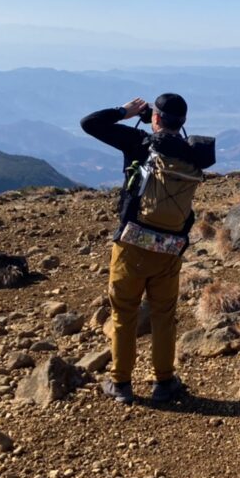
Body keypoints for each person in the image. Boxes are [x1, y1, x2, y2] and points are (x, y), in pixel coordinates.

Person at [80, 94, 215, 404]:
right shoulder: (195, 154)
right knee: (163, 316)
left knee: (125, 313)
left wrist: (125, 111)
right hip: (170, 248)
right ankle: (164, 382)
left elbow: (90, 124)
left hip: (133, 244)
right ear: (182, 122)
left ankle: (121, 384)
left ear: (156, 119)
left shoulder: (140, 143)